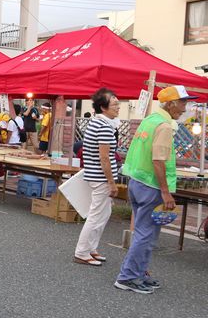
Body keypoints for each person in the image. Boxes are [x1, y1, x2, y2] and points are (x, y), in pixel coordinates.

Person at [114, 86, 195, 293]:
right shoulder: (164, 126)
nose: (185, 108)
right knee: (146, 234)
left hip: (137, 181)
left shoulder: (149, 121)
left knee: (144, 232)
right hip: (151, 185)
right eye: (183, 102)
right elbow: (159, 161)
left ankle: (138, 273)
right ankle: (128, 277)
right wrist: (166, 192)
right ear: (170, 104)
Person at [74, 88, 121, 267]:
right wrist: (112, 182)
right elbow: (105, 158)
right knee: (96, 215)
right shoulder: (104, 126)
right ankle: (82, 251)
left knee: (102, 214)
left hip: (94, 174)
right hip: (101, 177)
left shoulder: (96, 123)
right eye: (114, 104)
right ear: (103, 107)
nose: (118, 107)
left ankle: (90, 248)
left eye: (117, 103)